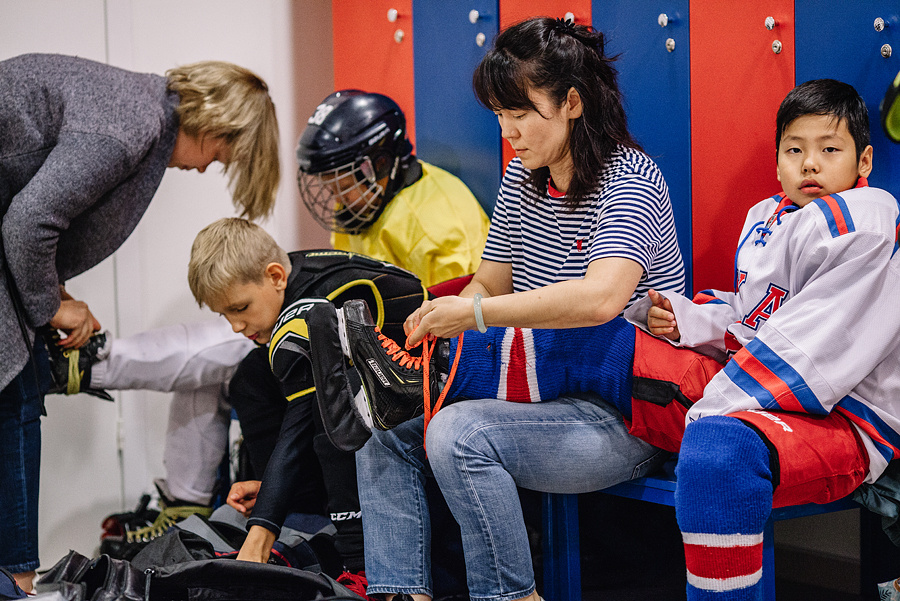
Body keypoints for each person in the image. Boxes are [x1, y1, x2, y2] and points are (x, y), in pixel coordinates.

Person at [348, 78, 899, 601]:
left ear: (569, 104)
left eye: (829, 150)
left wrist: (715, 401)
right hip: (723, 381)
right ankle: (422, 406)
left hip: (808, 405)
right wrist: (689, 319)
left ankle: (440, 374)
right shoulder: (768, 217)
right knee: (386, 429)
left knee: (579, 358)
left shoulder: (859, 221)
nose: (809, 163)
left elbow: (812, 348)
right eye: (794, 149)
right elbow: (752, 318)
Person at [49, 89, 490, 558]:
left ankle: (324, 538)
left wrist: (265, 527)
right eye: (329, 182)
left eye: (346, 180)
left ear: (383, 162)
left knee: (297, 390)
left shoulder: (441, 219)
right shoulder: (355, 215)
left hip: (410, 367)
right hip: (348, 344)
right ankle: (276, 502)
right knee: (251, 375)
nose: (337, 195)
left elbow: (455, 318)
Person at [346, 16, 685, 601]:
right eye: (500, 115)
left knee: (459, 432)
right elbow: (488, 284)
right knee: (386, 426)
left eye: (522, 112)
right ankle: (400, 592)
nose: (509, 131)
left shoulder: (630, 179)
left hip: (626, 413)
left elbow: (600, 299)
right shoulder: (521, 178)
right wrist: (443, 313)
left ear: (572, 103)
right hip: (535, 392)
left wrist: (473, 317)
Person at [0, 52, 279, 591]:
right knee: (15, 397)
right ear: (216, 123)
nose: (205, 167)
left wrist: (52, 292)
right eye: (221, 154)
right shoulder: (131, 125)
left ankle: (17, 578)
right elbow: (29, 222)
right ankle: (18, 583)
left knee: (21, 386)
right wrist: (53, 307)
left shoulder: (134, 106)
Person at [184, 217, 430, 585]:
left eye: (239, 308)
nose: (235, 326)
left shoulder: (318, 302)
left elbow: (303, 422)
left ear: (275, 277)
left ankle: (357, 567)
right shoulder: (289, 273)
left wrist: (260, 531)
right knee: (252, 374)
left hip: (428, 393)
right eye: (225, 315)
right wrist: (270, 490)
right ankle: (297, 508)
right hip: (377, 388)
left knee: (332, 415)